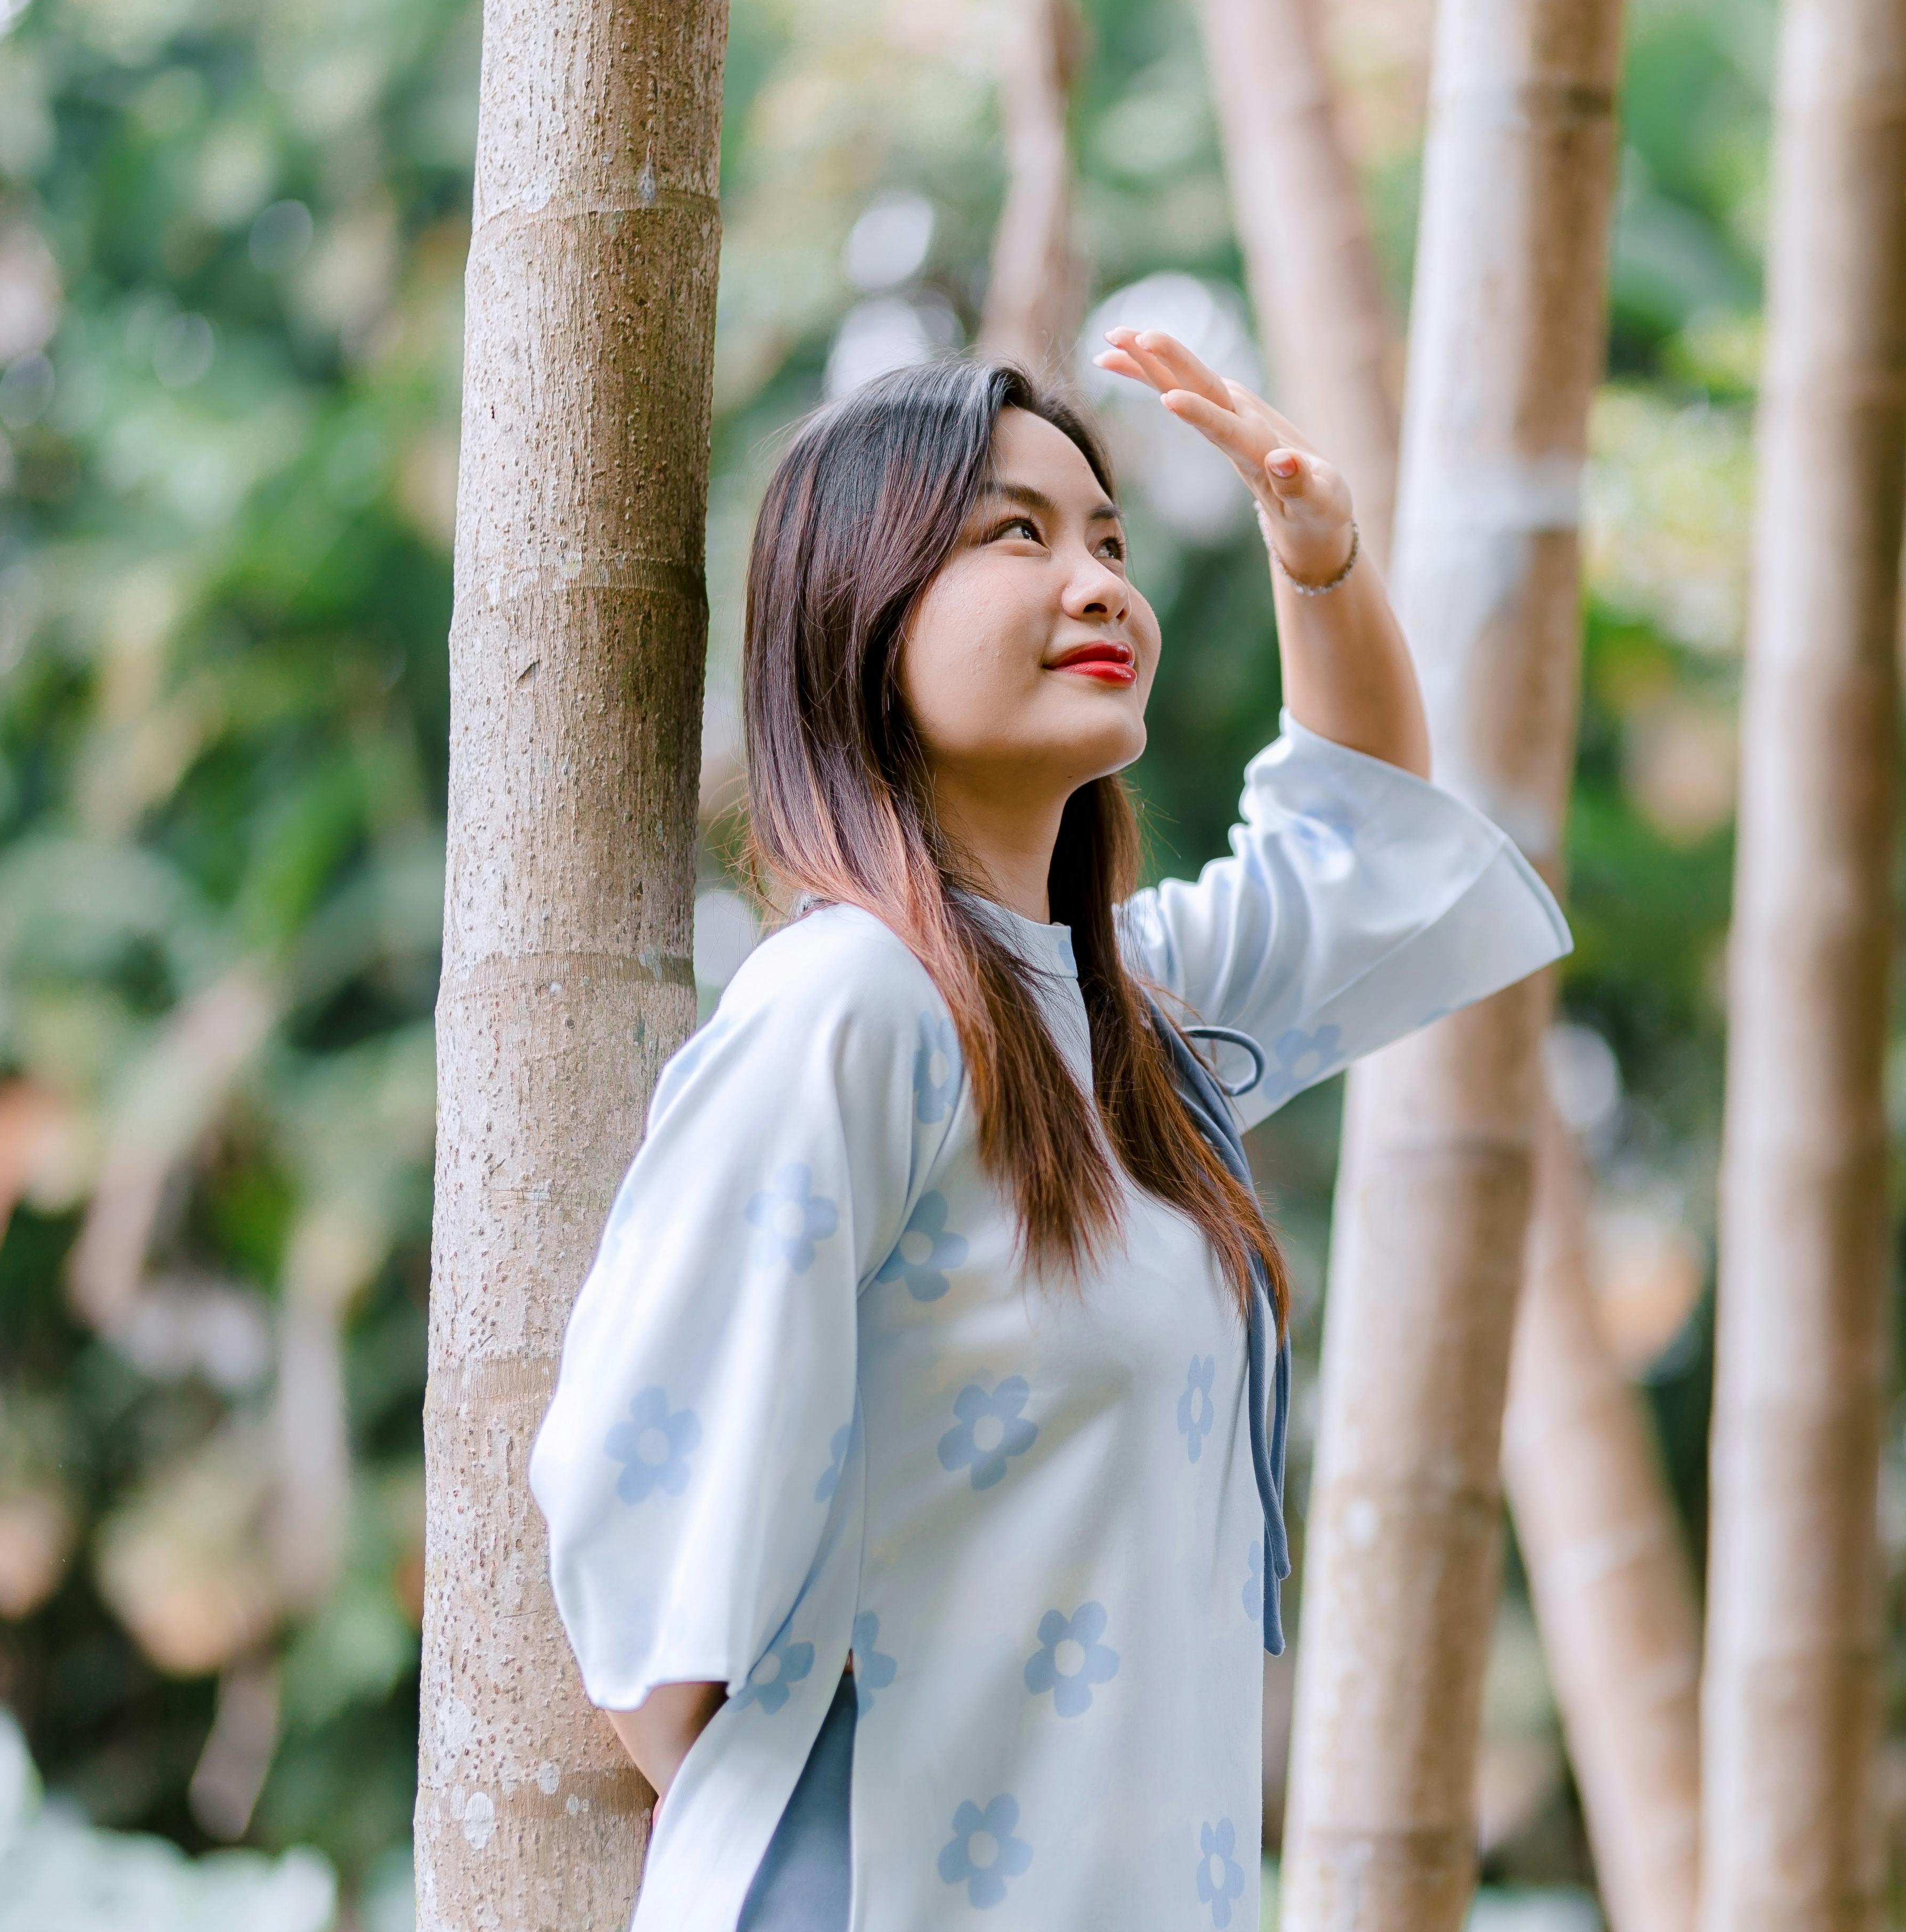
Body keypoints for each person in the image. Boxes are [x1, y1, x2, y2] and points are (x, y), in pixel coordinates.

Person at [527, 332, 1571, 1930]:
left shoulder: (1126, 1024)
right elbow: (641, 1519)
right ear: (861, 615)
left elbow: (1361, 863)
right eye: (1016, 532)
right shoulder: (850, 1009)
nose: (1100, 585)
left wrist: (1323, 557)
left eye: (1110, 540)